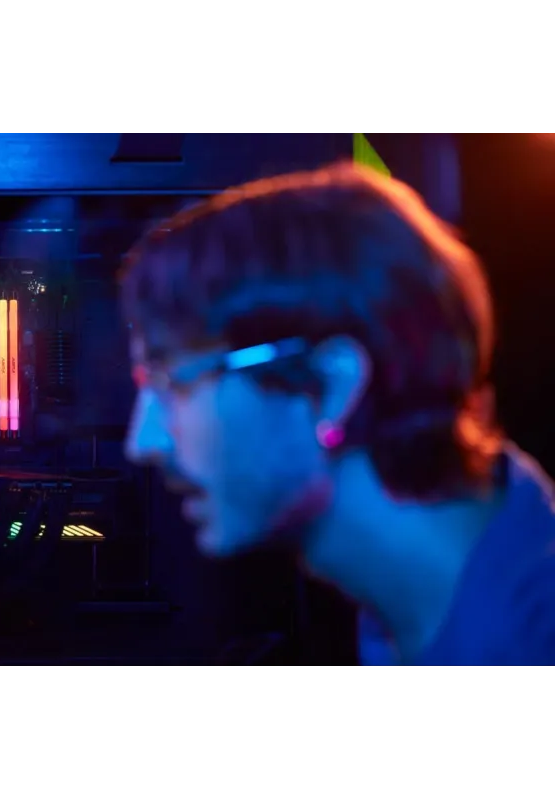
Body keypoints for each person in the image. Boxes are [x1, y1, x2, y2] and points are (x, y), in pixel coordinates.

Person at [119, 163, 555, 668]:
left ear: (332, 386)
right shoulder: (420, 604)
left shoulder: (529, 645)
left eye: (175, 382)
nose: (142, 442)